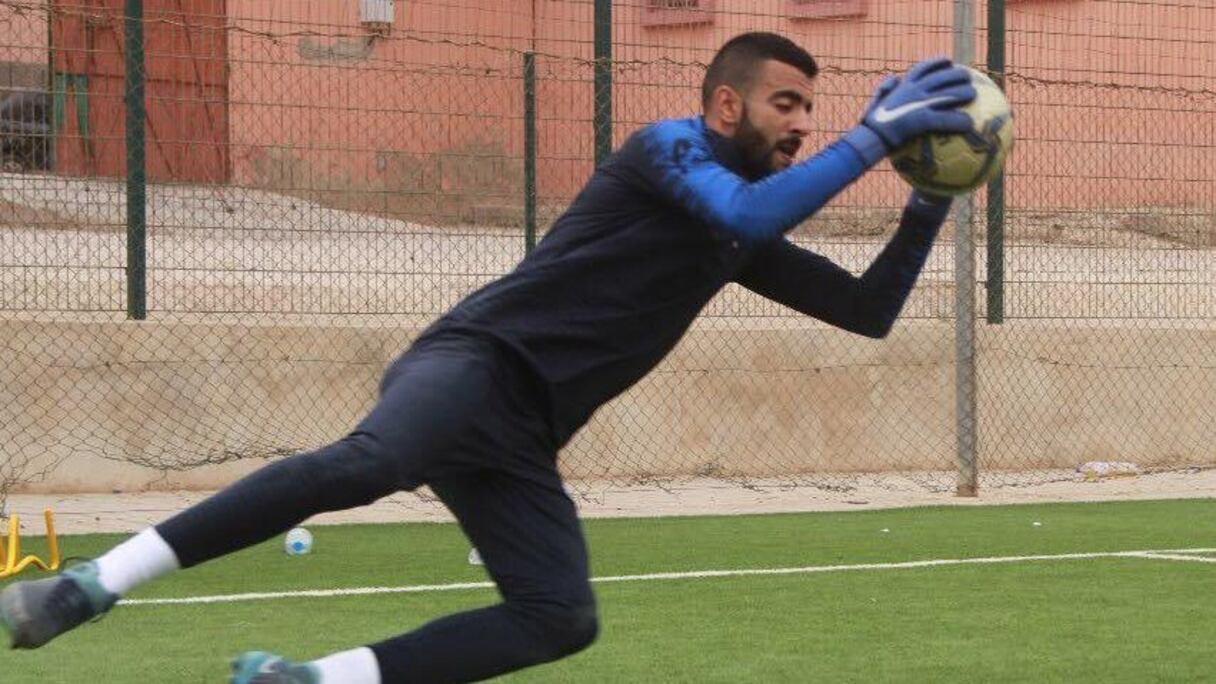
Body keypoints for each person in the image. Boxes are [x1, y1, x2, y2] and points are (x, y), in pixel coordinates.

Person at [1, 32, 975, 684]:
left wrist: (926, 196)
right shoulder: (667, 150)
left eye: (816, 109)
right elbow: (745, 208)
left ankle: (314, 681)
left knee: (558, 615)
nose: (805, 124)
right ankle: (91, 583)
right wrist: (869, 139)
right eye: (787, 105)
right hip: (473, 362)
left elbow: (865, 309)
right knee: (370, 462)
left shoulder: (743, 230)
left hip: (522, 433)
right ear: (726, 106)